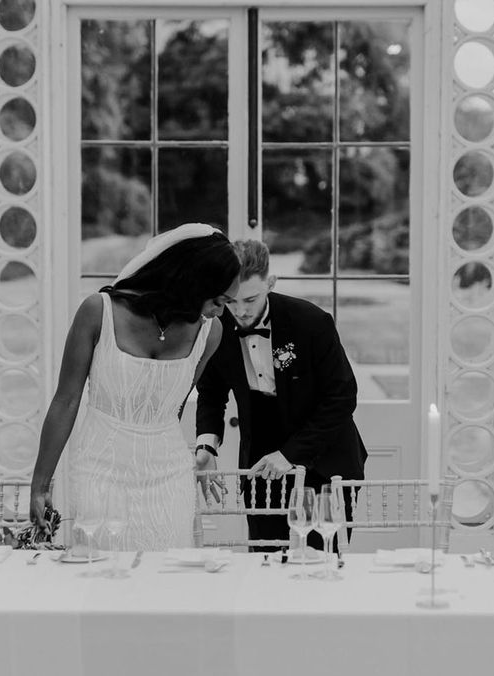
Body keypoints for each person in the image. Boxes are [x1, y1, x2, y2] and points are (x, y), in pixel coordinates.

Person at [29, 224, 240, 551]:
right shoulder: (97, 312)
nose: (221, 311)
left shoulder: (210, 333)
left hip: (168, 476)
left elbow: (176, 405)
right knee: (99, 577)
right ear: (193, 283)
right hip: (101, 472)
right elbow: (66, 401)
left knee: (165, 584)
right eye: (217, 299)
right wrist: (40, 485)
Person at [195, 239, 367, 551]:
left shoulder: (312, 322)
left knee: (321, 563)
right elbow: (211, 392)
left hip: (324, 457)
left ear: (270, 283)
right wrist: (207, 444)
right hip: (261, 460)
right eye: (231, 301)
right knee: (264, 563)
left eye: (251, 299)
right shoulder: (216, 326)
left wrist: (290, 455)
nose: (241, 311)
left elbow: (341, 397)